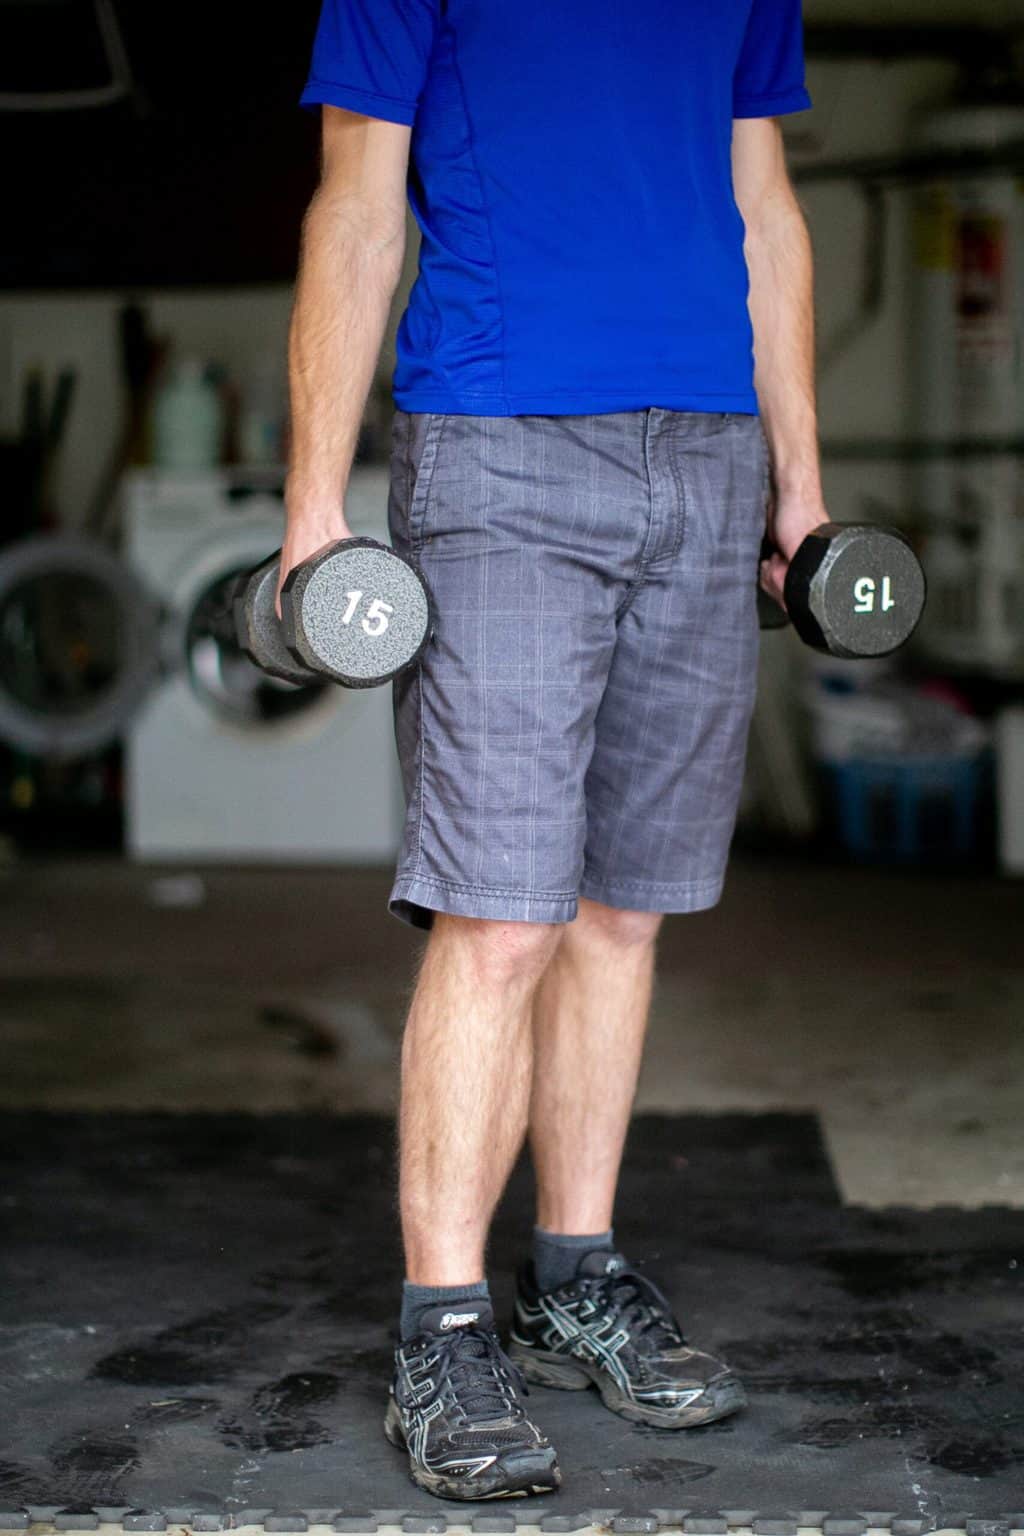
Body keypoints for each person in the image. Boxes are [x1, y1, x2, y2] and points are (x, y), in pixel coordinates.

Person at [284, 0, 819, 1502]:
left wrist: (802, 487)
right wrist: (314, 507)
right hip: (501, 442)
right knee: (501, 913)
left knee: (622, 910)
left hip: (708, 454)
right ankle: (443, 1327)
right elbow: (355, 203)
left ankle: (575, 1272)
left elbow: (764, 212)